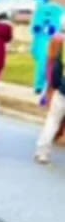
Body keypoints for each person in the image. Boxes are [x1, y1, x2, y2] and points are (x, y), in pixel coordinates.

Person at [34, 30, 65, 164]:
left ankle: (42, 152)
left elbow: (57, 66)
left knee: (52, 121)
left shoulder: (60, 42)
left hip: (63, 90)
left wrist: (55, 85)